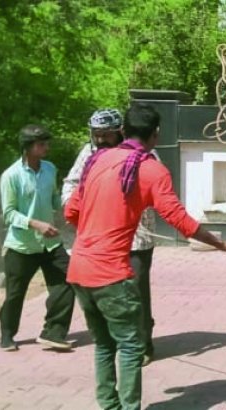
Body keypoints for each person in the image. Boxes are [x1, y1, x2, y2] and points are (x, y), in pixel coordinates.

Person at [65, 103, 226, 410]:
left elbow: (71, 211)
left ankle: (109, 406)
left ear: (123, 130)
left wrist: (98, 226)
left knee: (105, 345)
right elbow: (178, 219)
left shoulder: (97, 159)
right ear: (156, 134)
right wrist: (219, 244)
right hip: (111, 273)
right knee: (132, 345)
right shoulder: (150, 168)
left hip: (79, 268)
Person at [63, 109, 159, 366]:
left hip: (137, 236)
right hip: (101, 239)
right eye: (97, 135)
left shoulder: (144, 153)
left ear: (121, 133)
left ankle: (142, 344)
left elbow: (155, 191)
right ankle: (114, 342)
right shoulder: (90, 154)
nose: (102, 139)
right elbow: (71, 185)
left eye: (107, 134)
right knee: (106, 294)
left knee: (136, 291)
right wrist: (79, 213)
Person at [0, 124, 75, 352]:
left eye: (46, 143)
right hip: (22, 246)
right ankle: (7, 334)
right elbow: (8, 214)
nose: (46, 147)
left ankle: (53, 332)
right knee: (15, 295)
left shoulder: (50, 169)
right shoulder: (11, 176)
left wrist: (69, 210)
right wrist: (35, 224)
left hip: (50, 244)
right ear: (27, 147)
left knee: (67, 280)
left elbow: (53, 197)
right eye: (41, 144)